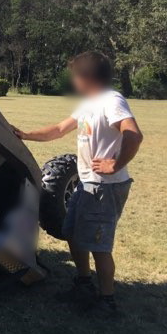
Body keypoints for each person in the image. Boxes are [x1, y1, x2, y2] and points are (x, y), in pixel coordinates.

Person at [13, 51, 143, 315]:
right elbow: (59, 129)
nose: (73, 81)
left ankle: (107, 301)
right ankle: (83, 283)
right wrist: (25, 135)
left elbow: (134, 134)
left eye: (74, 76)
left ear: (86, 77)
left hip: (104, 188)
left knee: (98, 246)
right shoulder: (89, 104)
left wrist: (114, 164)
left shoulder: (111, 100)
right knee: (71, 232)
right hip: (87, 184)